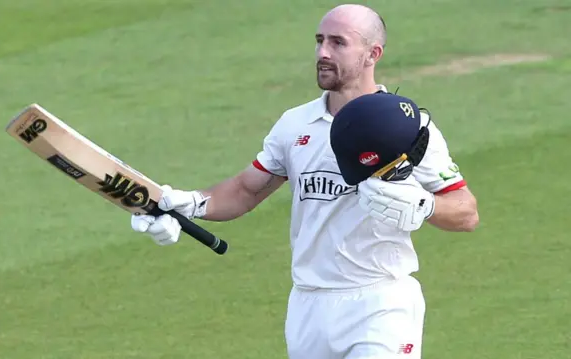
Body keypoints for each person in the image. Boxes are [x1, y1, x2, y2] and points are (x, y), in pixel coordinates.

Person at [130, 3, 479, 358]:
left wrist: (424, 205)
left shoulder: (407, 126)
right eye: (319, 41)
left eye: (338, 43)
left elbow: (466, 213)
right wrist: (190, 205)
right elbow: (244, 190)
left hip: (380, 302)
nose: (323, 53)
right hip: (308, 307)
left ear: (373, 53)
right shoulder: (295, 125)